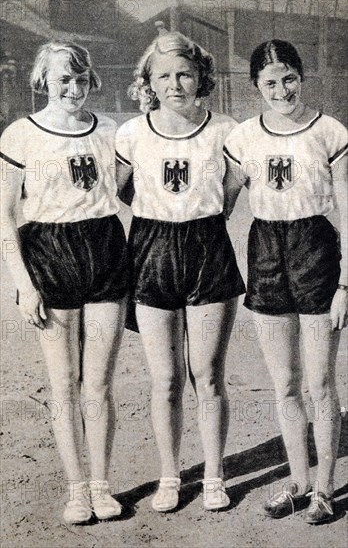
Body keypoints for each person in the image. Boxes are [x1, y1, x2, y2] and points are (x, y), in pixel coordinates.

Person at [116, 31, 245, 512]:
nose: (175, 84)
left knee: (207, 375)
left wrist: (199, 219)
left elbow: (229, 196)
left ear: (200, 77)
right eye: (164, 75)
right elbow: (122, 192)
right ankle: (170, 476)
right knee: (165, 378)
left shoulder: (225, 130)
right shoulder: (131, 133)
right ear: (149, 82)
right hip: (151, 249)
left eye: (184, 74)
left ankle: (214, 474)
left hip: (208, 246)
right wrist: (161, 218)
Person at [0, 41, 129, 524]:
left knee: (99, 383)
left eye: (80, 79)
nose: (73, 88)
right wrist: (24, 284)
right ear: (44, 82)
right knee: (65, 383)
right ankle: (76, 490)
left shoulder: (109, 130)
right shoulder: (20, 135)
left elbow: (128, 188)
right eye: (63, 80)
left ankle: (101, 486)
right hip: (49, 255)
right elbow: (4, 216)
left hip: (105, 249)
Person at [223, 39, 347, 524]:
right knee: (285, 383)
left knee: (320, 381)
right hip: (266, 252)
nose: (281, 90)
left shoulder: (331, 131)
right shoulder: (244, 138)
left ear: (302, 77)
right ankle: (297, 482)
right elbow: (221, 202)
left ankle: (324, 489)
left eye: (289, 78)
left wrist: (345, 285)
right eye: (270, 82)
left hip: (316, 247)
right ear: (255, 86)